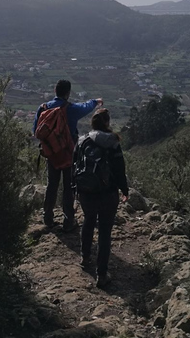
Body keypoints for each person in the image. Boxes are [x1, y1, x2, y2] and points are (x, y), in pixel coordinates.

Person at [34, 79, 102, 230]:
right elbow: (85, 107)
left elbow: (36, 131)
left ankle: (48, 218)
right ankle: (68, 220)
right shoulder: (70, 108)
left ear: (55, 91)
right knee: (68, 186)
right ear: (68, 93)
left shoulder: (43, 108)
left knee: (51, 184)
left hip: (51, 153)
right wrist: (95, 101)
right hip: (68, 153)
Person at [75, 107, 129, 288]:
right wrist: (124, 190)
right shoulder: (113, 142)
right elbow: (119, 169)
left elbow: (75, 165)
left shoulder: (82, 140)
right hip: (107, 193)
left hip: (86, 191)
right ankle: (102, 273)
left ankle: (84, 257)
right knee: (105, 231)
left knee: (88, 221)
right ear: (107, 123)